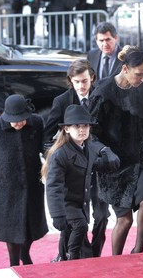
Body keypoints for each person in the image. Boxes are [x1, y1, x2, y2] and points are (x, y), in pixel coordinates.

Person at [89, 45, 143, 255]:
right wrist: (103, 151)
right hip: (113, 165)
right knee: (124, 220)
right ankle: (117, 259)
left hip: (139, 158)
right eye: (139, 74)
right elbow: (91, 133)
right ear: (125, 68)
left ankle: (138, 250)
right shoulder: (103, 92)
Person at [42, 59, 110, 260]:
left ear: (92, 79)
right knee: (74, 216)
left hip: (97, 164)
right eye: (77, 81)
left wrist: (106, 154)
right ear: (70, 81)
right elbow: (47, 136)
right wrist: (57, 156)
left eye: (85, 81)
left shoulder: (102, 97)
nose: (81, 86)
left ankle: (94, 254)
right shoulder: (62, 101)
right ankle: (67, 254)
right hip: (73, 166)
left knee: (101, 216)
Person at [0, 94, 48, 266]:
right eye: (14, 120)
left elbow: (44, 148)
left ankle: (25, 254)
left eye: (22, 120)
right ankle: (14, 262)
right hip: (6, 189)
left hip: (32, 185)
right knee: (12, 231)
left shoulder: (36, 123)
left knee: (31, 227)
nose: (18, 123)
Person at [42, 104, 120, 260]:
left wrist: (109, 162)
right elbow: (53, 187)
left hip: (80, 201)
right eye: (76, 126)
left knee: (70, 231)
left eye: (85, 126)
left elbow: (91, 165)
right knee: (80, 225)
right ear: (66, 129)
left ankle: (64, 257)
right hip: (66, 202)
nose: (82, 129)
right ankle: (72, 257)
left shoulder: (88, 147)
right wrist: (57, 214)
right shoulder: (60, 154)